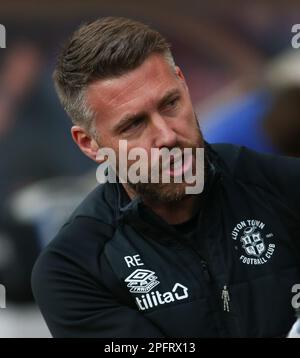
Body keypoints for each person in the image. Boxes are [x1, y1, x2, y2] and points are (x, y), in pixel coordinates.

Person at [31, 17, 300, 338]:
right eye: (134, 124)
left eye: (170, 103)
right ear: (90, 144)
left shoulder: (282, 186)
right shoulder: (75, 269)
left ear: (183, 84)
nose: (167, 136)